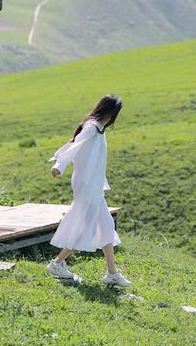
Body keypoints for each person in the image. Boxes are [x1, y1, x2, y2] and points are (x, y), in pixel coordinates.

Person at [46, 93, 132, 287]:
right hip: (86, 185)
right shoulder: (92, 128)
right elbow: (74, 146)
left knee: (106, 225)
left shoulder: (98, 129)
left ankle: (112, 273)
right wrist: (59, 165)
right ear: (110, 113)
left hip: (94, 185)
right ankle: (57, 263)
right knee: (86, 225)